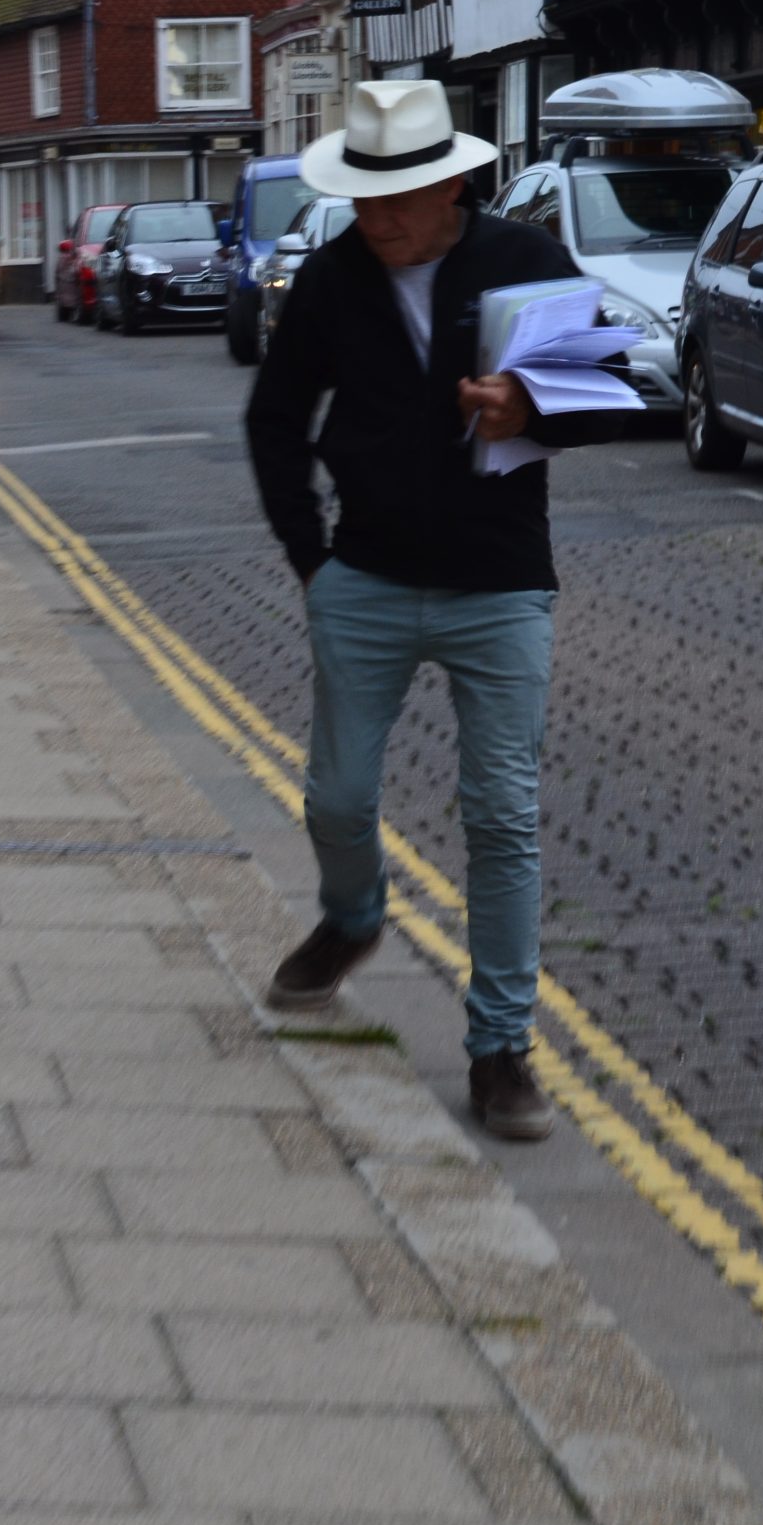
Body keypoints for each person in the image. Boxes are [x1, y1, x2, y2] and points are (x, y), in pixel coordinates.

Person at [244, 79, 625, 1143]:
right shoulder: (329, 281)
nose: (378, 221)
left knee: (501, 816)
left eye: (398, 200)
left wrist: (532, 402)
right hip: (360, 578)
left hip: (500, 583)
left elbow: (613, 401)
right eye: (363, 201)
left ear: (451, 181)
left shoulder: (524, 264)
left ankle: (500, 1048)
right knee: (336, 794)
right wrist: (309, 561)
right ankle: (353, 917)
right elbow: (273, 419)